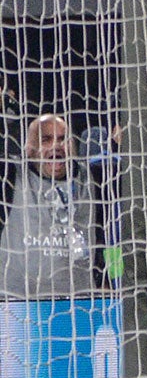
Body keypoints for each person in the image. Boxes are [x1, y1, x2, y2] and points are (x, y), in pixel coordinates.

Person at [0, 114, 109, 298]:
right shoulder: (9, 175)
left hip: (80, 310)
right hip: (14, 311)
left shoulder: (94, 179)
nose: (56, 146)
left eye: (63, 139)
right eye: (46, 139)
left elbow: (143, 172)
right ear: (28, 147)